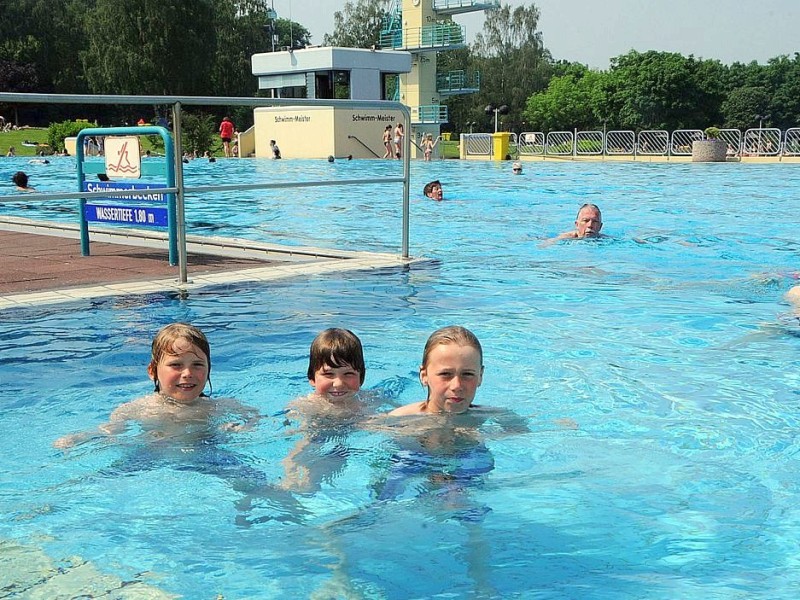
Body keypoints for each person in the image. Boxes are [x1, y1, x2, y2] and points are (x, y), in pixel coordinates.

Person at [53, 323, 259, 449]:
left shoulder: (220, 406)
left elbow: (255, 418)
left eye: (197, 365)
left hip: (208, 455)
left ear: (209, 369)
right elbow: (111, 430)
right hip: (152, 455)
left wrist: (240, 429)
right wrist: (82, 437)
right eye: (176, 365)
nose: (187, 373)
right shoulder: (138, 408)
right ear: (152, 371)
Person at [280, 328, 374, 492]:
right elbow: (294, 432)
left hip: (347, 438)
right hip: (318, 435)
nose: (338, 383)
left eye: (348, 374)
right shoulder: (307, 405)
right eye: (329, 374)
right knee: (302, 456)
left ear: (362, 377)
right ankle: (290, 481)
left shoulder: (366, 402)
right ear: (312, 378)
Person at [389, 326, 484, 416]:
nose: (456, 386)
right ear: (424, 375)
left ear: (480, 376)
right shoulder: (396, 423)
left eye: (467, 374)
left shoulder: (492, 419)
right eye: (445, 374)